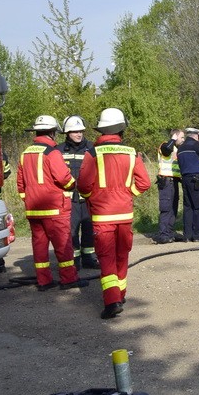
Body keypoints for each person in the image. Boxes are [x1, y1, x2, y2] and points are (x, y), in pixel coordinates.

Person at [78, 108, 151, 319]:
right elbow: (144, 183)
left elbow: (83, 185)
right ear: (121, 130)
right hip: (125, 215)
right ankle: (121, 294)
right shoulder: (132, 152)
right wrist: (129, 194)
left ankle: (112, 301)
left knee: (106, 257)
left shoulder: (92, 153)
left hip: (102, 216)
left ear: (101, 130)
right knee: (122, 255)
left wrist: (92, 197)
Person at [16, 115, 88, 292]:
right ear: (53, 132)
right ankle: (68, 279)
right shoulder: (52, 152)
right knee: (63, 245)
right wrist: (73, 184)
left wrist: (29, 199)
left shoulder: (25, 153)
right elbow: (64, 178)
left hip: (34, 209)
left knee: (39, 246)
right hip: (55, 209)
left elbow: (20, 183)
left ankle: (44, 281)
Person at [58, 116, 100, 269]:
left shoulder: (92, 148)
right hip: (69, 200)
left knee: (89, 229)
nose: (78, 134)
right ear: (67, 133)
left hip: (89, 198)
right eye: (74, 131)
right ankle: (74, 261)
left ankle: (89, 258)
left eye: (81, 131)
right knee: (71, 230)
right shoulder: (59, 150)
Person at [155, 128, 185, 244]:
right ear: (175, 137)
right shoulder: (165, 145)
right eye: (181, 137)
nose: (183, 140)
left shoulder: (177, 149)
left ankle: (170, 232)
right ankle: (163, 234)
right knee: (166, 207)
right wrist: (172, 140)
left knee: (173, 207)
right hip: (166, 180)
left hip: (174, 181)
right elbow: (167, 151)